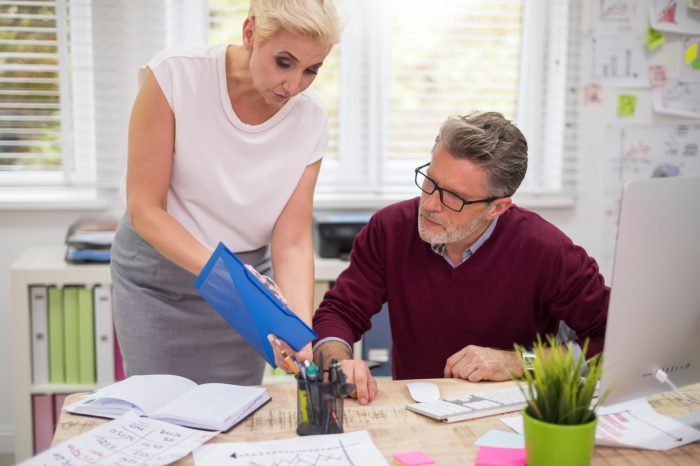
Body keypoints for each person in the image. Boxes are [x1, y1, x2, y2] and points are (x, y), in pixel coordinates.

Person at [111, 0, 341, 385]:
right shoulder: (175, 75)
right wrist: (233, 284)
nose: (295, 84)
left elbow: (293, 242)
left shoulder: (310, 119)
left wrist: (298, 325)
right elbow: (145, 209)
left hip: (245, 290)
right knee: (160, 414)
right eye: (284, 62)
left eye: (311, 70)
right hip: (159, 284)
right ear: (250, 32)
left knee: (234, 416)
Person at [311, 112, 609, 404]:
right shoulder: (390, 228)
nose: (429, 204)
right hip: (416, 410)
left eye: (453, 197)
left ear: (497, 207)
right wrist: (338, 362)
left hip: (512, 416)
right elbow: (340, 312)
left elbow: (613, 342)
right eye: (430, 181)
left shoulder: (548, 250)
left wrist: (519, 362)